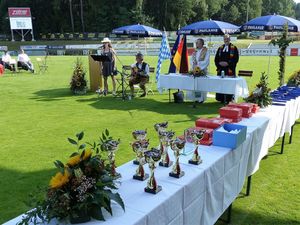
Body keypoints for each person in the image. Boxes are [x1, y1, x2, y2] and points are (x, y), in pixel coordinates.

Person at [214, 34, 239, 103]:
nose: (226, 40)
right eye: (225, 39)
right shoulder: (220, 48)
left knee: (229, 84)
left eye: (227, 38)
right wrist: (219, 63)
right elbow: (216, 59)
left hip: (229, 69)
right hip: (221, 69)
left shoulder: (234, 48)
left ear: (230, 39)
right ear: (223, 40)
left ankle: (229, 99)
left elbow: (236, 59)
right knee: (220, 84)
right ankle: (220, 98)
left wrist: (228, 63)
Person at [188, 38, 210, 103]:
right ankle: (195, 98)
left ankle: (201, 99)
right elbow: (191, 60)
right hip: (195, 71)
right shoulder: (195, 52)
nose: (196, 44)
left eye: (198, 43)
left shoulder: (206, 51)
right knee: (195, 85)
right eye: (196, 43)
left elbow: (206, 61)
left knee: (201, 86)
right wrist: (194, 66)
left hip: (202, 71)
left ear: (202, 44)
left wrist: (198, 67)